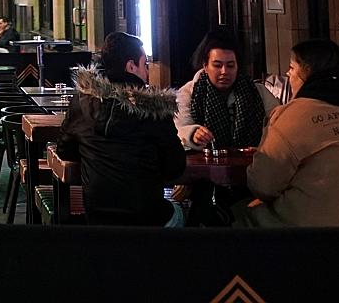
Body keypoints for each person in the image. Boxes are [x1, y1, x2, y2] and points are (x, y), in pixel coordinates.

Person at [239, 39, 339, 227]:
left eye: (292, 68)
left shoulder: (294, 114)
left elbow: (262, 185)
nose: (287, 74)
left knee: (238, 213)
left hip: (313, 235)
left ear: (308, 72)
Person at [57, 32, 186, 226]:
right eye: (145, 65)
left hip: (98, 217)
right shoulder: (156, 110)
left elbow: (64, 150)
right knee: (182, 212)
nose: (147, 72)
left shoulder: (82, 102)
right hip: (149, 218)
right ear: (131, 66)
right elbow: (175, 168)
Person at [175, 27, 281, 150]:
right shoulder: (188, 93)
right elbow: (177, 131)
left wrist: (265, 146)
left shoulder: (258, 92)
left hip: (252, 163)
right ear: (205, 65)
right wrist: (192, 134)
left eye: (230, 65)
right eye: (217, 65)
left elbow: (280, 127)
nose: (224, 72)